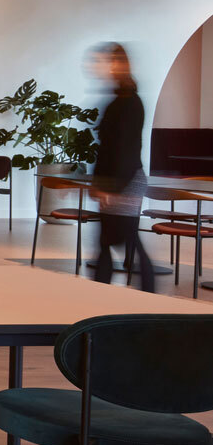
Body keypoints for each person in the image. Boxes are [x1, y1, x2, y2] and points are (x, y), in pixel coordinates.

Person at [88, 42, 156, 292]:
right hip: (114, 180)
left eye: (103, 61)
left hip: (125, 181)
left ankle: (150, 296)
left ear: (118, 64)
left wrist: (114, 188)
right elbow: (107, 148)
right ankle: (99, 295)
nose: (99, 67)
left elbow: (125, 150)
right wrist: (99, 183)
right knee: (107, 241)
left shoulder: (129, 102)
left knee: (128, 240)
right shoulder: (119, 100)